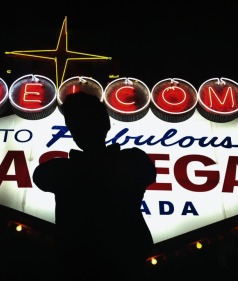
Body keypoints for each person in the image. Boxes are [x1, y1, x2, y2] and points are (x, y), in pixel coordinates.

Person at [33, 91, 157, 280]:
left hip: (79, 263)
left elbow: (42, 177)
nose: (81, 129)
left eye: (83, 122)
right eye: (76, 124)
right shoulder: (132, 160)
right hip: (125, 261)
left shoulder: (62, 169)